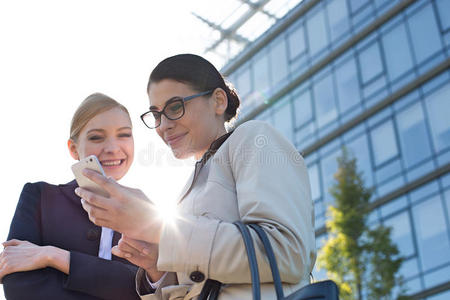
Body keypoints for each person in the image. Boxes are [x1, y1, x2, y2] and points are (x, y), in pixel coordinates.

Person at [77, 54, 316, 299]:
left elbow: (287, 254)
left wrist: (159, 228)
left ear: (218, 101)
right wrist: (156, 266)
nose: (162, 126)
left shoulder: (253, 138)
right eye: (156, 115)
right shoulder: (187, 189)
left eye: (175, 107)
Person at [1, 93, 142, 300]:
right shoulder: (40, 197)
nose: (113, 148)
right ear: (74, 149)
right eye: (96, 137)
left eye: (124, 135)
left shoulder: (147, 215)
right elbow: (19, 285)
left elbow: (143, 288)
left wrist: (53, 256)